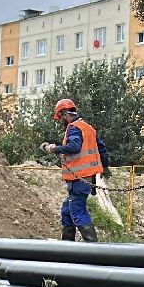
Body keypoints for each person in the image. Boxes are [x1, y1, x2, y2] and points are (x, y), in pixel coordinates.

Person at [41, 97, 104, 242]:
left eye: (60, 118)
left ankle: (95, 249)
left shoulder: (74, 128)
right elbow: (101, 148)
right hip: (84, 178)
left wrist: (54, 148)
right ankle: (67, 247)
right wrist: (104, 168)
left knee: (77, 212)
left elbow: (74, 147)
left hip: (79, 180)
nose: (60, 121)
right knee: (67, 211)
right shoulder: (88, 127)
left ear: (65, 114)